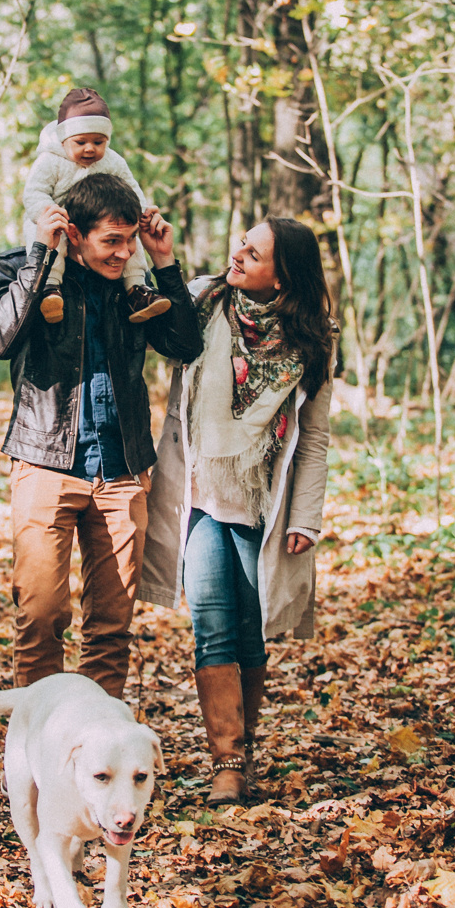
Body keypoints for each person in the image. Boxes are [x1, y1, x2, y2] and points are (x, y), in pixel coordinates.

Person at [0, 172, 204, 699]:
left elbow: (184, 344)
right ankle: (41, 745)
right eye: (112, 241)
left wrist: (165, 262)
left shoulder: (136, 286)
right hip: (44, 463)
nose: (125, 253)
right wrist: (40, 256)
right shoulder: (22, 267)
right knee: (40, 616)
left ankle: (96, 747)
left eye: (131, 241)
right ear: (75, 234)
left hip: (122, 472)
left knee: (110, 626)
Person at [139, 217, 334, 805]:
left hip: (262, 503)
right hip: (198, 495)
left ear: (284, 277)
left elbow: (316, 437)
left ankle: (244, 751)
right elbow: (157, 321)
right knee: (213, 627)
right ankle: (228, 760)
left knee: (251, 632)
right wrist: (162, 256)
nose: (239, 254)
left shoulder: (313, 338)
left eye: (255, 252)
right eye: (241, 244)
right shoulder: (202, 300)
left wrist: (305, 517)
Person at [23, 86, 171, 324]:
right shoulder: (50, 161)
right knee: (51, 244)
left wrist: (141, 214)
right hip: (57, 219)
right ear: (64, 140)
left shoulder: (113, 160)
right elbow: (34, 192)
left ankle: (137, 288)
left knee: (128, 238)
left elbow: (132, 187)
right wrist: (48, 215)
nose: (90, 148)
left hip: (102, 220)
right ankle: (50, 289)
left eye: (98, 142)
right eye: (80, 142)